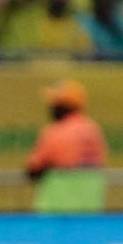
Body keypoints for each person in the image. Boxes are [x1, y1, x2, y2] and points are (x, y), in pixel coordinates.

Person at [25, 78, 108, 213]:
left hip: (59, 207)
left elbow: (34, 168)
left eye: (55, 103)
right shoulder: (92, 129)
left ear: (64, 106)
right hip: (91, 203)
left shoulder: (55, 131)